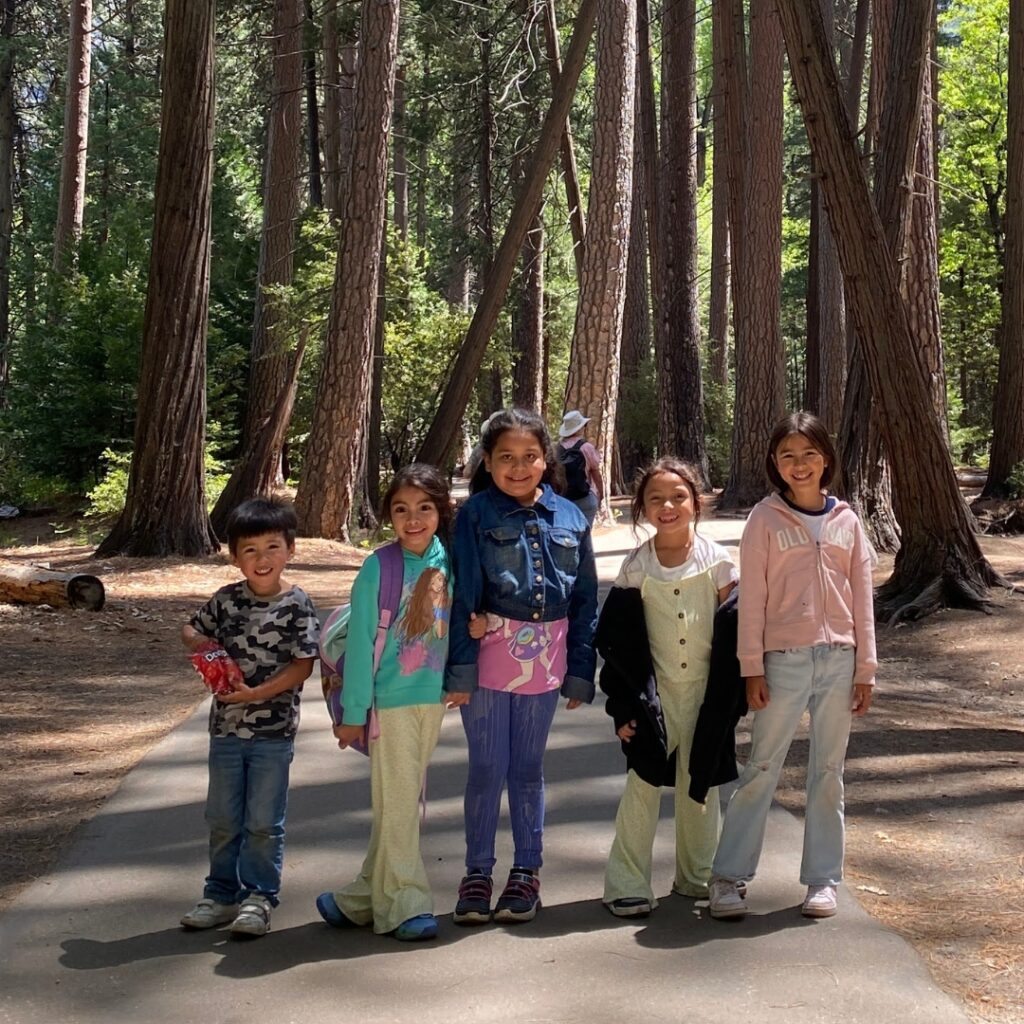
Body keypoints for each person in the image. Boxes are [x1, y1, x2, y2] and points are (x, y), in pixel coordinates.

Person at [709, 411, 876, 921]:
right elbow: (752, 600)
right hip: (783, 662)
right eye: (788, 456)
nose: (799, 465)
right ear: (774, 462)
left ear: (826, 459)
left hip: (839, 660)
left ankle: (822, 880)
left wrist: (865, 669)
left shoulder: (847, 521)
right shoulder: (764, 519)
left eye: (809, 454)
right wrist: (752, 667)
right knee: (762, 767)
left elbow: (863, 598)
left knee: (828, 772)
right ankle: (729, 877)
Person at [446, 407, 599, 925]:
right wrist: (460, 669)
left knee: (528, 769)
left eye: (529, 456)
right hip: (489, 657)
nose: (518, 467)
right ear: (487, 462)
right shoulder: (475, 515)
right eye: (506, 457)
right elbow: (463, 593)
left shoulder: (571, 517)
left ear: (545, 459)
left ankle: (526, 871)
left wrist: (581, 671)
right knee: (487, 766)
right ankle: (477, 872)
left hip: (546, 661)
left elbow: (585, 601)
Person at [316, 464, 455, 942]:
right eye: (401, 510)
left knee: (401, 801)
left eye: (424, 508)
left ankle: (356, 900)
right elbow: (359, 647)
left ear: (441, 511)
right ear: (388, 516)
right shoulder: (378, 567)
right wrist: (353, 714)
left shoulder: (450, 560)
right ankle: (405, 904)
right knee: (399, 806)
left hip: (433, 702)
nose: (413, 520)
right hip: (387, 705)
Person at [598, 459, 738, 917]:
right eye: (655, 498)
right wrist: (622, 709)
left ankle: (698, 875)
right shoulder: (636, 567)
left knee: (701, 786)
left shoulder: (718, 563)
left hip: (704, 697)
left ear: (697, 502)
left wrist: (732, 699)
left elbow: (735, 636)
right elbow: (617, 645)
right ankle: (627, 882)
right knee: (641, 786)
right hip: (652, 700)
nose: (668, 506)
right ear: (641, 508)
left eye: (679, 496)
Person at [179, 497, 320, 937]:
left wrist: (256, 693)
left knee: (263, 822)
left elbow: (303, 665)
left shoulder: (297, 603)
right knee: (223, 818)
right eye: (250, 550)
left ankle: (258, 898)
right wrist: (204, 648)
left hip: (273, 734)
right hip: (225, 731)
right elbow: (190, 628)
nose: (262, 558)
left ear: (290, 549)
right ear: (235, 557)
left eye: (273, 547)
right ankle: (220, 895)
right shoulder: (226, 600)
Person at [556, 410, 604, 527]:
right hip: (585, 497)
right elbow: (596, 475)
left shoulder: (556, 449)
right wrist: (601, 494)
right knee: (585, 533)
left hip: (563, 500)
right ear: (579, 429)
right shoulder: (587, 447)